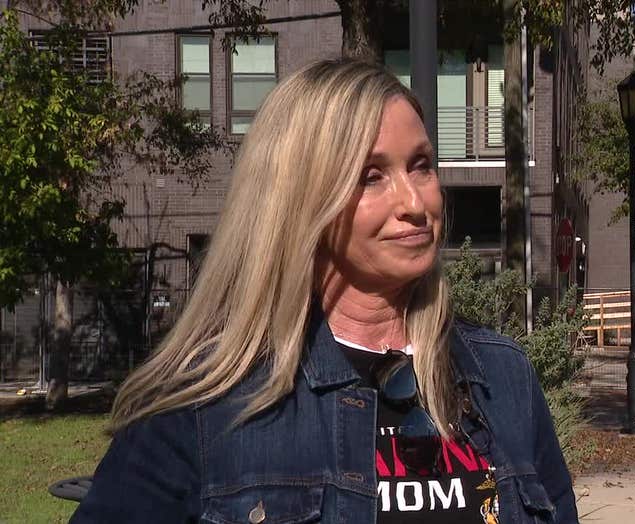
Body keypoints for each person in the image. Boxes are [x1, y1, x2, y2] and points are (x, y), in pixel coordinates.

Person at [71, 59, 577, 524]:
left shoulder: (503, 377)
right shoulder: (204, 404)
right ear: (301, 197)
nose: (414, 202)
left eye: (421, 165)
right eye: (371, 176)